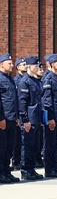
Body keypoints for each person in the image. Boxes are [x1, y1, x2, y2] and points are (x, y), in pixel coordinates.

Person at [18, 56, 44, 180]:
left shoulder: (35, 81)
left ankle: (31, 169)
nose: (37, 68)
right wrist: (25, 120)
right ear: (29, 67)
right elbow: (22, 103)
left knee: (34, 146)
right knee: (27, 146)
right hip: (29, 119)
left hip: (37, 118)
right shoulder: (24, 81)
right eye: (35, 66)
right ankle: (25, 170)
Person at [42, 53, 57, 177]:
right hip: (53, 117)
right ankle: (49, 169)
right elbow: (47, 101)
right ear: (52, 64)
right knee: (50, 144)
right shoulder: (49, 79)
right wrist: (50, 118)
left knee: (56, 144)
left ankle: (54, 166)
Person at [0, 53, 20, 183]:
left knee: (9, 147)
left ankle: (7, 172)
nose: (12, 65)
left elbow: (14, 100)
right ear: (1, 64)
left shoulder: (11, 79)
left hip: (12, 119)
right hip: (4, 120)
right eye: (9, 63)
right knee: (1, 148)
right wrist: (1, 118)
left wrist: (17, 117)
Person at [12, 57, 27, 170]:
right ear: (17, 67)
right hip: (17, 115)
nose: (25, 66)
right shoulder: (17, 80)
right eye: (23, 64)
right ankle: (16, 161)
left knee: (20, 141)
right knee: (17, 141)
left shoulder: (26, 79)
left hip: (20, 115)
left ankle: (19, 161)